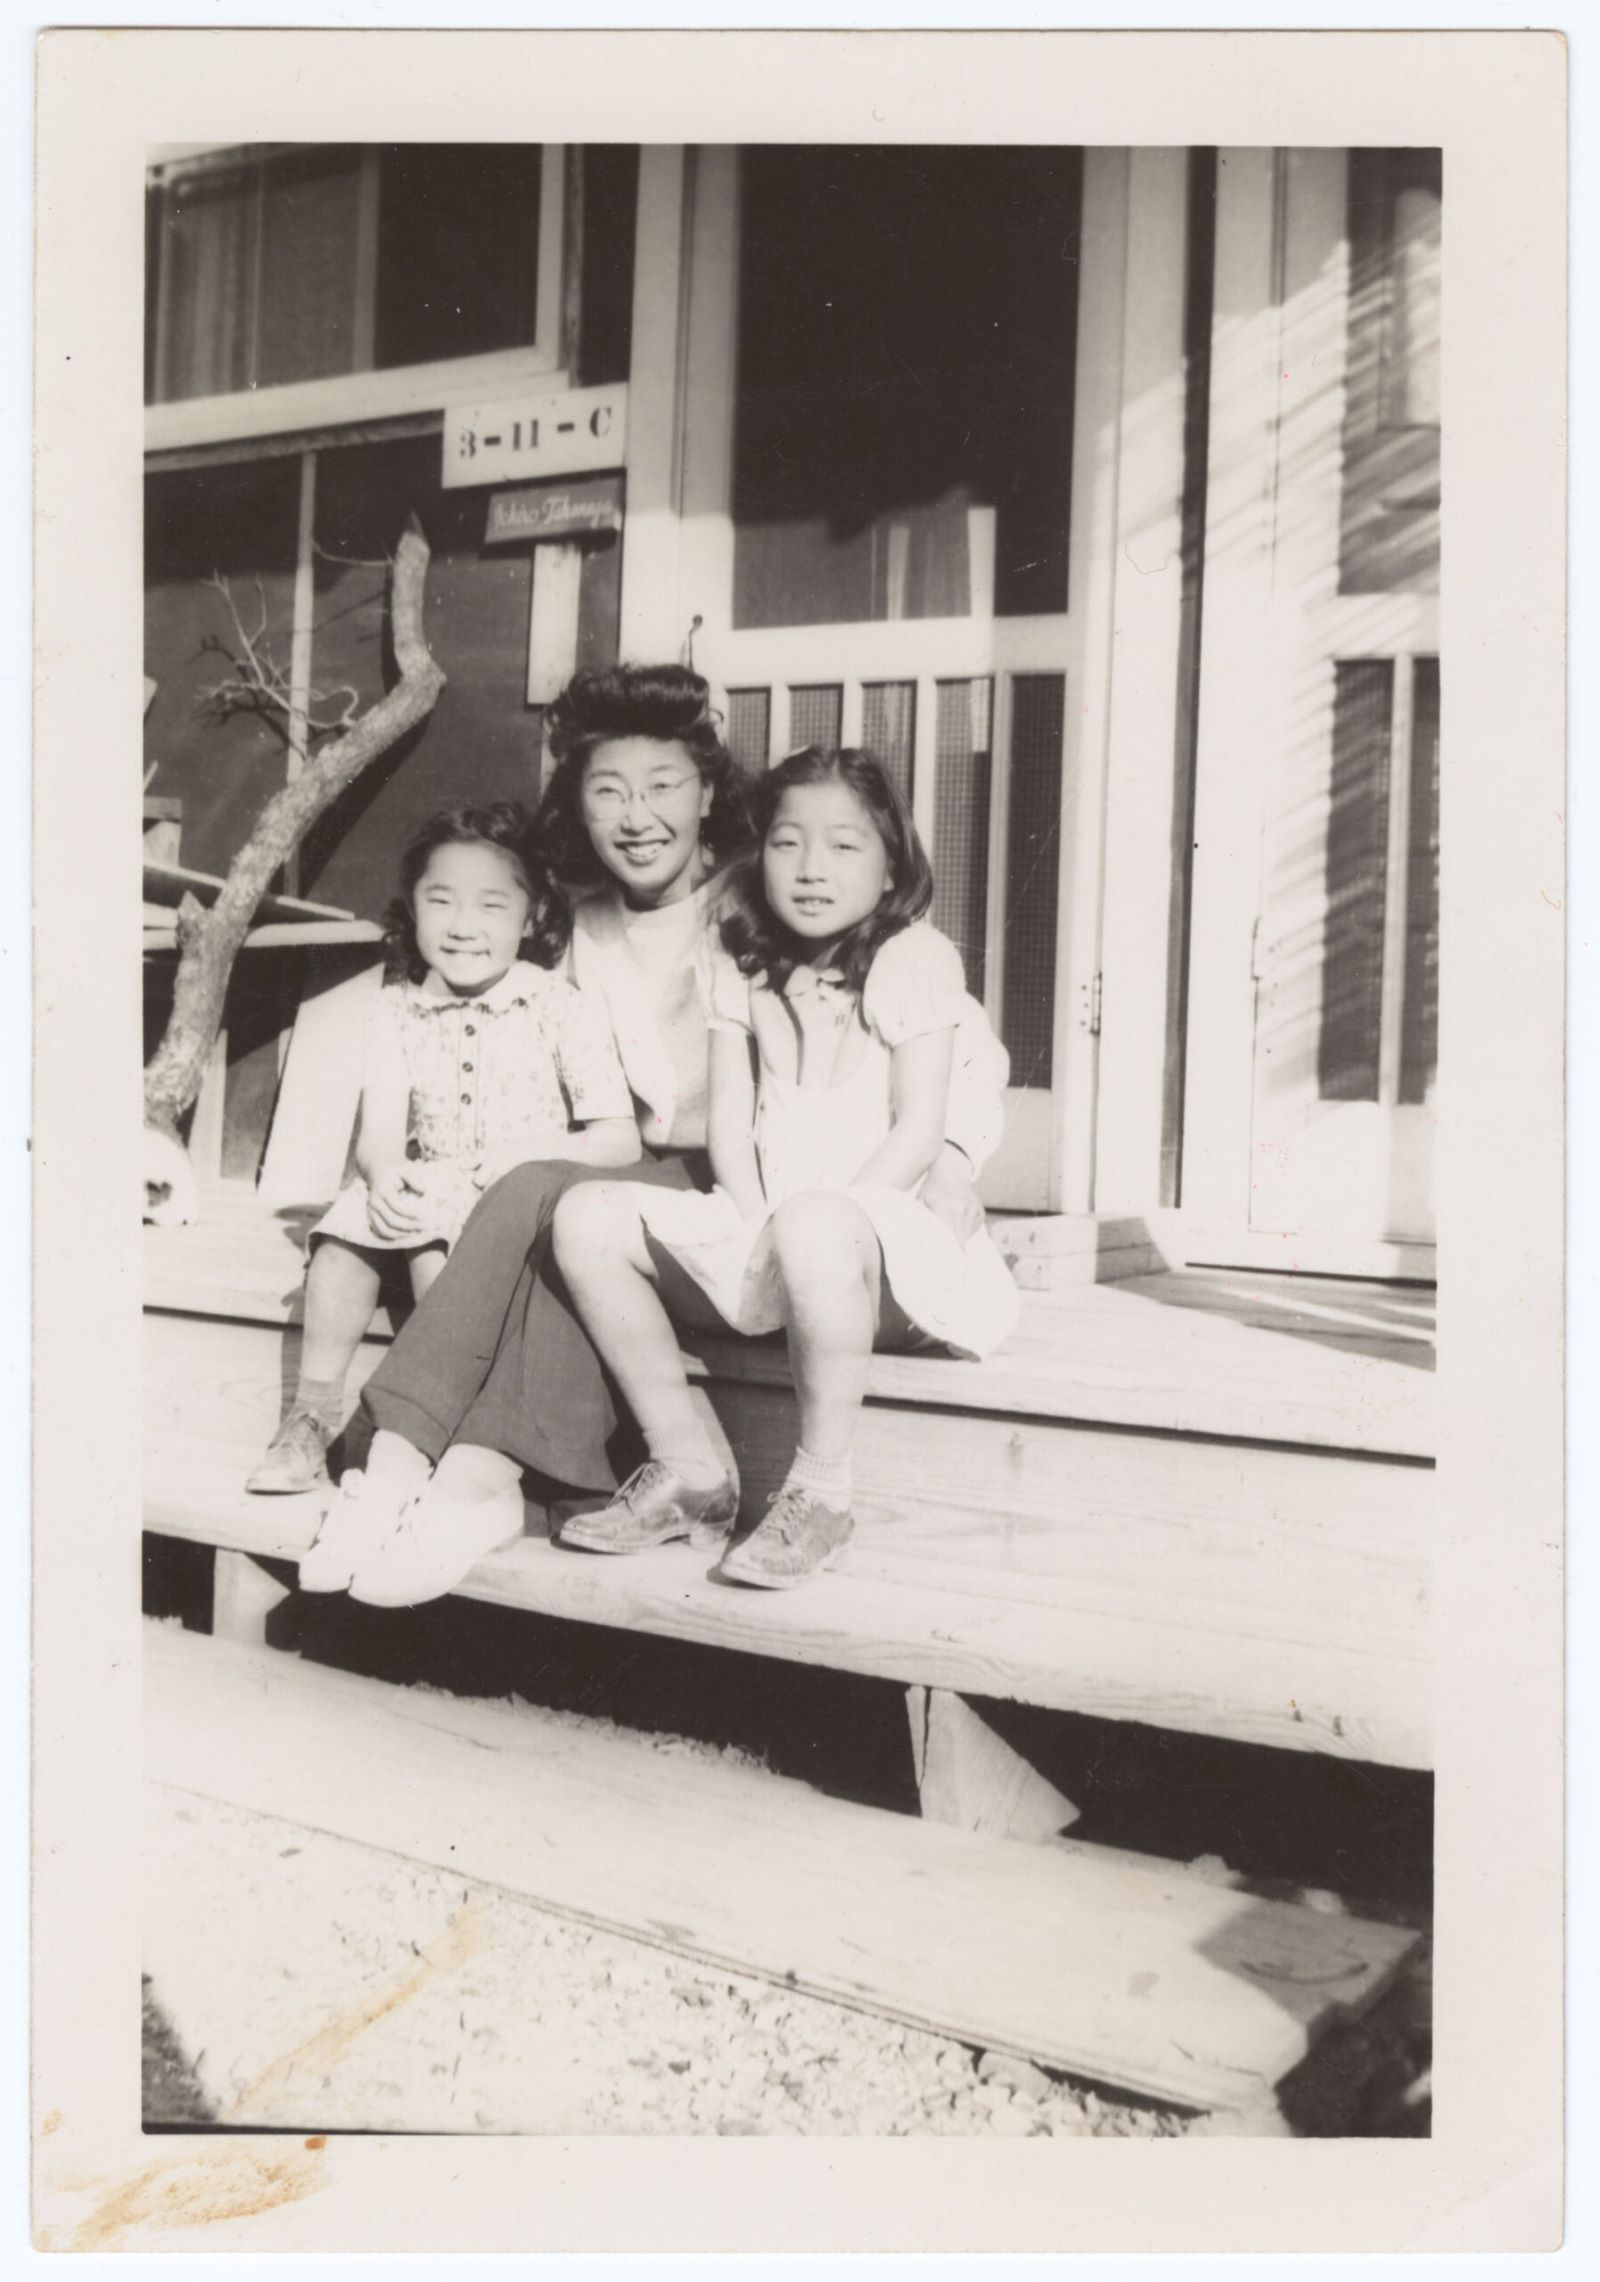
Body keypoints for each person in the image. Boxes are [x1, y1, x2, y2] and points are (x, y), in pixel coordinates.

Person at [330, 669, 1003, 1609]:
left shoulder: (767, 895)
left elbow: (959, 1051)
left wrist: (958, 1164)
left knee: (544, 1194)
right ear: (579, 806)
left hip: (786, 1190)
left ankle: (446, 1465)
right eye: (608, 792)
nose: (637, 817)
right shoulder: (576, 926)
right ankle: (437, 1473)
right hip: (683, 1173)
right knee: (547, 1193)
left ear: (708, 795)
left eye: (663, 788)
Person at [548, 746, 1021, 1591]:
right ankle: (688, 1466)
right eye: (786, 843)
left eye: (844, 846)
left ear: (889, 868)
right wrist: (747, 1222)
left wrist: (810, 1232)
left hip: (887, 1253)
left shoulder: (914, 958)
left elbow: (918, 1129)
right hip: (772, 1225)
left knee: (815, 1224)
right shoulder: (736, 958)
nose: (810, 869)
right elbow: (732, 1118)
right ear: (756, 853)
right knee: (586, 1216)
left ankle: (823, 1491)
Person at [262, 801, 640, 1575]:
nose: (463, 925)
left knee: (441, 1257)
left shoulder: (557, 1006)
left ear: (533, 915)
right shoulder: (399, 1007)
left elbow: (618, 1136)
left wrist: (524, 1151)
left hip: (511, 1206)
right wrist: (381, 1169)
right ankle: (312, 1416)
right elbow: (378, 1125)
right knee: (343, 1236)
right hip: (427, 1183)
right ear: (413, 909)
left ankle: (432, 1444)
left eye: (492, 904)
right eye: (441, 901)